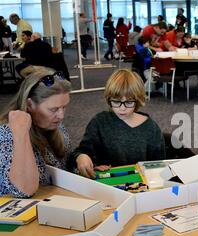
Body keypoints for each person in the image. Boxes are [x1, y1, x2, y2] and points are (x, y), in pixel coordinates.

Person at [71, 69, 166, 178]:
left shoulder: (151, 128)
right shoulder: (99, 122)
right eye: (116, 102)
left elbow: (159, 166)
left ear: (138, 100)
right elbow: (80, 152)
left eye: (129, 102)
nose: (122, 108)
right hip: (106, 185)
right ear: (109, 99)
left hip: (142, 185)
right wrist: (82, 157)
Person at [0, 67, 72, 197]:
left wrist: (79, 158)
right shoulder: (7, 135)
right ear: (29, 105)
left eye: (64, 107)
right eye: (53, 109)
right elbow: (24, 190)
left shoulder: (55, 126)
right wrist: (20, 134)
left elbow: (65, 162)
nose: (61, 115)